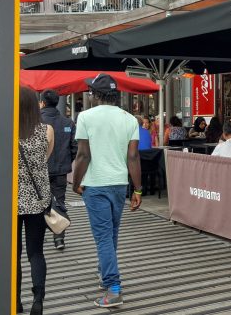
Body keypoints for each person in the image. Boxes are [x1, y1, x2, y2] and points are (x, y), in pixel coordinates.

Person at [72, 74, 143, 308]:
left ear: (95, 95)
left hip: (95, 184)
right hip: (119, 184)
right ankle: (105, 274)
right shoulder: (130, 119)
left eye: (91, 92)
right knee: (111, 234)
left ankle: (113, 289)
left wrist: (75, 181)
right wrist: (138, 190)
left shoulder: (85, 117)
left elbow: (83, 155)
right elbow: (133, 156)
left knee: (103, 236)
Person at [17, 86, 54, 315]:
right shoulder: (47, 130)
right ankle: (38, 299)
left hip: (11, 202)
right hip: (39, 200)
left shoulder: (7, 130)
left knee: (13, 253)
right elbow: (45, 158)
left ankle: (15, 300)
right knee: (36, 252)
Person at [39, 89, 77, 250]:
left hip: (40, 171)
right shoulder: (68, 123)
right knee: (59, 202)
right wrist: (66, 161)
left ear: (42, 103)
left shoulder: (36, 122)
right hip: (61, 170)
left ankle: (38, 237)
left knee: (39, 203)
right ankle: (59, 238)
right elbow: (74, 148)